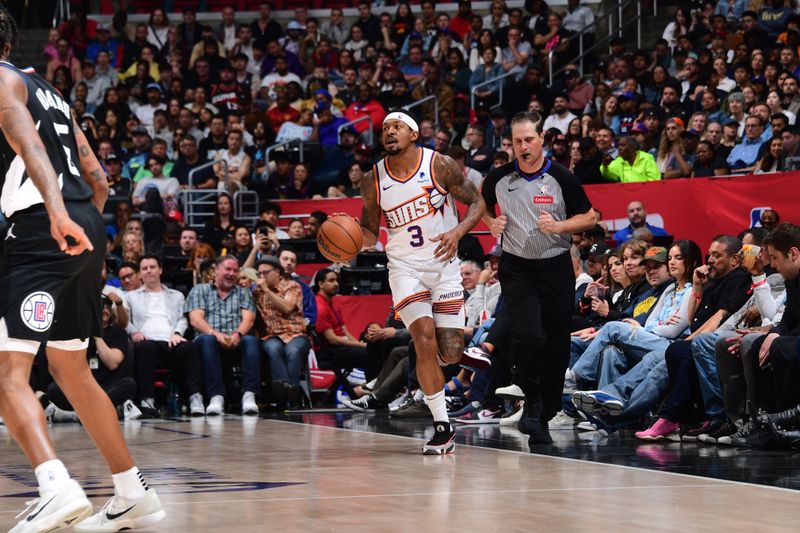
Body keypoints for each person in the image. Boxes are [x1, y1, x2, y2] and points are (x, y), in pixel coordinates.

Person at [0, 7, 165, 530]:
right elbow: (97, 174)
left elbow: (29, 147)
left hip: (41, 231)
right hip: (85, 227)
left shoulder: (2, 85)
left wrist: (54, 215)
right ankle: (129, 490)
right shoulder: (50, 90)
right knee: (71, 367)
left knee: (8, 372)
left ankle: (54, 486)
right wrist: (85, 226)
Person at [359, 110, 486, 455]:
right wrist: (351, 241)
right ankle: (443, 426)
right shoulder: (372, 178)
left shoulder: (439, 165)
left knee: (450, 351)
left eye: (396, 126)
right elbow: (370, 230)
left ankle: (462, 361)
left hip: (444, 267)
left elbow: (476, 201)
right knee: (424, 340)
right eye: (385, 128)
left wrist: (458, 231)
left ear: (413, 134)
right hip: (404, 268)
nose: (389, 132)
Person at [480, 111, 596, 446]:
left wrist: (559, 227)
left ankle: (546, 409)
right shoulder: (499, 178)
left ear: (542, 137)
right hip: (517, 267)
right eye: (517, 141)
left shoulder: (561, 177)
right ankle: (531, 401)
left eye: (529, 139)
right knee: (528, 334)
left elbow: (589, 217)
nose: (523, 146)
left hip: (556, 265)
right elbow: (479, 204)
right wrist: (490, 222)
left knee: (557, 342)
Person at [127, 255, 205, 418]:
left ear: (160, 270)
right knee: (145, 348)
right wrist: (135, 332)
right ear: (140, 274)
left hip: (170, 339)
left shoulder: (176, 295)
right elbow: (126, 321)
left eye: (152, 267)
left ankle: (195, 397)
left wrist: (177, 333)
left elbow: (183, 319)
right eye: (145, 268)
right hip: (147, 340)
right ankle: (147, 400)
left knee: (190, 348)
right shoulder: (131, 297)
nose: (149, 271)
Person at [185, 256, 260, 416]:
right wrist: (216, 334)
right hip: (208, 341)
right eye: (228, 269)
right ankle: (216, 396)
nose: (232, 273)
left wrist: (237, 335)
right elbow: (195, 320)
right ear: (216, 270)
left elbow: (249, 319)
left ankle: (249, 395)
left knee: (251, 341)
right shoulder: (200, 290)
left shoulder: (243, 293)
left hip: (236, 340)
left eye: (235, 270)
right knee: (207, 339)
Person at [254, 257, 310, 407]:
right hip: (272, 335)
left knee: (292, 351)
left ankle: (289, 394)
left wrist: (266, 289)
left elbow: (286, 308)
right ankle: (290, 392)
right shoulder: (256, 292)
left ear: (278, 272)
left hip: (296, 334)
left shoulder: (292, 286)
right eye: (259, 274)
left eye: (265, 272)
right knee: (273, 349)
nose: (262, 277)